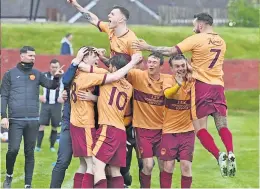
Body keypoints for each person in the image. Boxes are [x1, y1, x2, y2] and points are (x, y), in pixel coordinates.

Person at [132, 12, 236, 177]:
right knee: (222, 124)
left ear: (200, 25)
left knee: (200, 129)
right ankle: (230, 152)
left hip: (202, 86)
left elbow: (171, 51)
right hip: (218, 86)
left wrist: (148, 47)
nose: (193, 28)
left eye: (194, 25)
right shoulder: (221, 41)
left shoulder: (197, 39)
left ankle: (218, 155)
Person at [69, 47, 142, 188]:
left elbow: (83, 66)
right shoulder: (129, 87)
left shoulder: (107, 76)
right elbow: (110, 102)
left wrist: (80, 59)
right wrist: (95, 97)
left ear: (113, 67)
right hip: (121, 131)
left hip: (108, 128)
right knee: (115, 170)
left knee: (96, 165)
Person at [1, 46, 64, 189]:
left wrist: (56, 77)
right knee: (13, 150)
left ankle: (28, 185)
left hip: (33, 120)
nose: (33, 58)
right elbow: (3, 96)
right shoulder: (10, 74)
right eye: (30, 56)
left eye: (34, 56)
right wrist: (4, 116)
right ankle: (9, 176)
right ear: (22, 56)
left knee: (29, 152)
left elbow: (51, 86)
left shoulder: (37, 74)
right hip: (16, 120)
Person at [49, 47, 99, 188]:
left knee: (91, 163)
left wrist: (94, 97)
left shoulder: (98, 74)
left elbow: (105, 97)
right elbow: (65, 81)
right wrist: (75, 61)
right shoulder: (74, 73)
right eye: (93, 56)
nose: (97, 59)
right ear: (83, 58)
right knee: (63, 160)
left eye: (97, 57)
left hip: (90, 124)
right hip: (69, 123)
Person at [126, 53, 167, 188]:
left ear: (161, 65)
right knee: (148, 165)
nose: (151, 64)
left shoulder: (168, 80)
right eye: (149, 62)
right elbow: (119, 70)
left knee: (165, 166)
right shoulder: (138, 75)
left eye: (154, 62)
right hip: (142, 129)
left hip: (161, 130)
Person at [160, 54, 194, 189]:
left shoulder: (193, 80)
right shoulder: (168, 80)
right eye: (177, 66)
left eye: (183, 65)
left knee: (186, 166)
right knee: (168, 166)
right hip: (169, 131)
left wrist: (192, 71)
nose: (180, 69)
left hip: (188, 131)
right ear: (171, 68)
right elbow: (168, 94)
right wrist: (178, 85)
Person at [36, 59, 64, 152]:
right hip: (45, 104)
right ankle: (38, 147)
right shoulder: (44, 75)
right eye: (52, 67)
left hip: (56, 104)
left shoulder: (63, 77)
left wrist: (64, 97)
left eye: (56, 67)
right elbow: (33, 86)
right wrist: (39, 96)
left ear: (59, 67)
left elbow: (69, 88)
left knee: (55, 126)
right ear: (49, 67)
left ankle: (52, 146)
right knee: (41, 125)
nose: (54, 69)